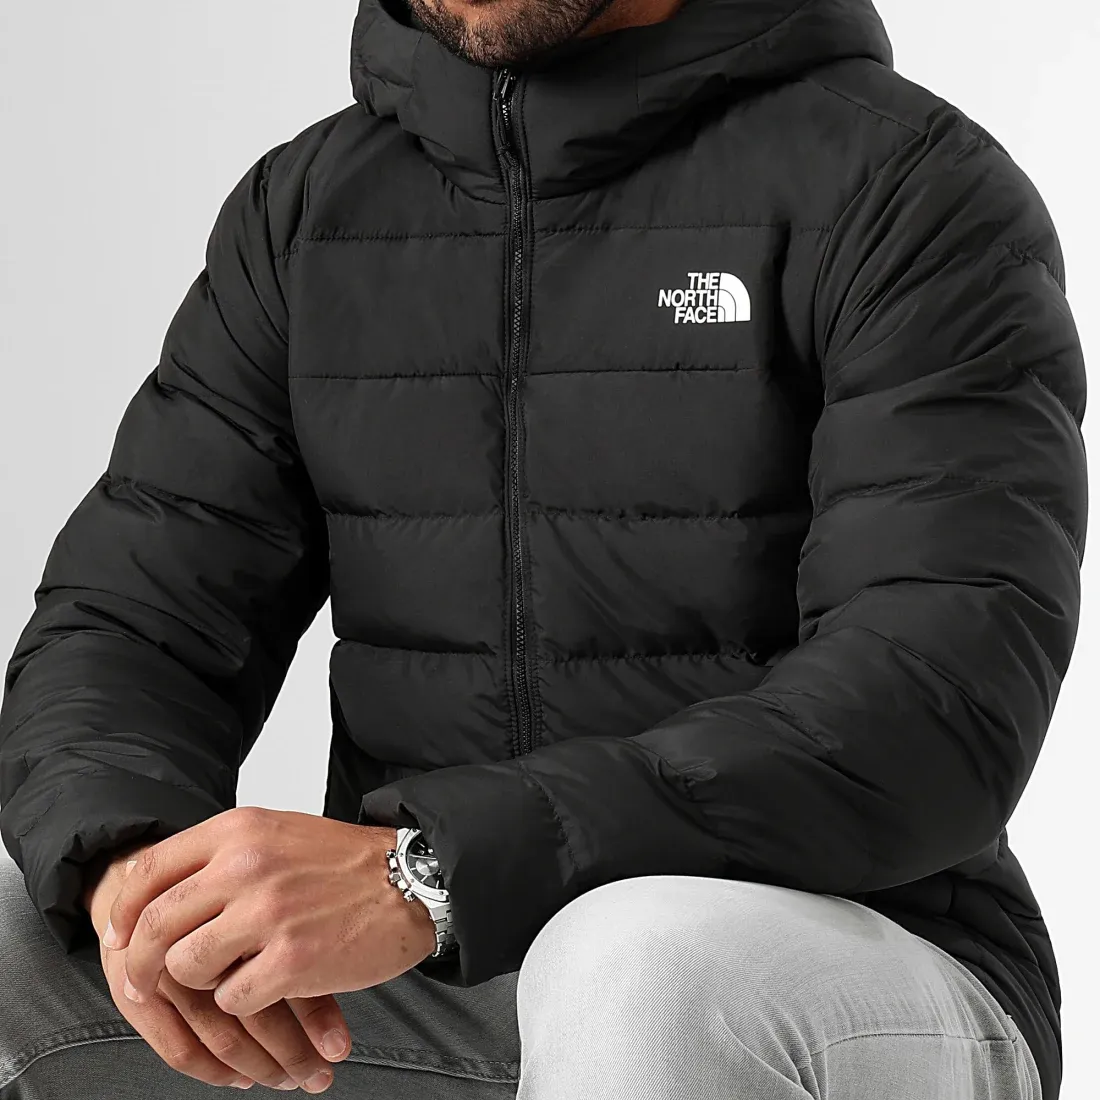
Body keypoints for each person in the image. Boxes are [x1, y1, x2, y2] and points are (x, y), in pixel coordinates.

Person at [0, 0, 1086, 1096]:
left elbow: (929, 699)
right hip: (433, 970)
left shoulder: (905, 187)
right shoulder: (307, 214)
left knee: (636, 965)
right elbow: (131, 623)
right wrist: (127, 862)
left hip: (843, 959)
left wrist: (429, 872)